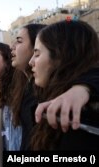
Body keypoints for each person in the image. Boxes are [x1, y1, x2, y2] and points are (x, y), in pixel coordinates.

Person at [29, 20, 99, 150]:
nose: (31, 61)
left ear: (60, 56)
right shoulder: (46, 94)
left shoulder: (80, 117)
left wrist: (84, 87)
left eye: (37, 54)